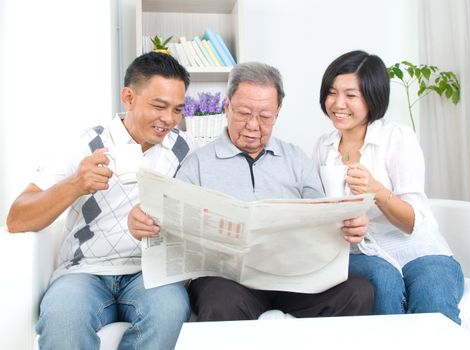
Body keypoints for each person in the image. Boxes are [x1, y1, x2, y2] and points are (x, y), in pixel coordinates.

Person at [128, 61, 374, 321]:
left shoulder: (296, 159)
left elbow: (325, 218)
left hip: (293, 277)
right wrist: (147, 222)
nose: (253, 126)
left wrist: (348, 224)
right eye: (244, 113)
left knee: (359, 292)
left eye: (265, 117)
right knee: (220, 301)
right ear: (226, 107)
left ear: (277, 113)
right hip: (229, 281)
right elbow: (171, 227)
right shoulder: (197, 164)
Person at [6, 52, 194, 349]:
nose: (168, 120)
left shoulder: (185, 149)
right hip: (83, 272)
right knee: (63, 319)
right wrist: (74, 185)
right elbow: (17, 217)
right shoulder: (86, 144)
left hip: (150, 274)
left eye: (177, 110)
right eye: (159, 106)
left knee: (170, 310)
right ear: (128, 98)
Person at [313, 50, 464, 323]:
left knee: (433, 295)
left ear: (372, 97)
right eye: (332, 93)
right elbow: (317, 213)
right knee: (383, 284)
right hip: (360, 252)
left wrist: (376, 190)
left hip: (416, 248)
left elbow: (412, 223)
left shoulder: (398, 138)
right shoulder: (323, 148)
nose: (338, 103)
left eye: (350, 95)